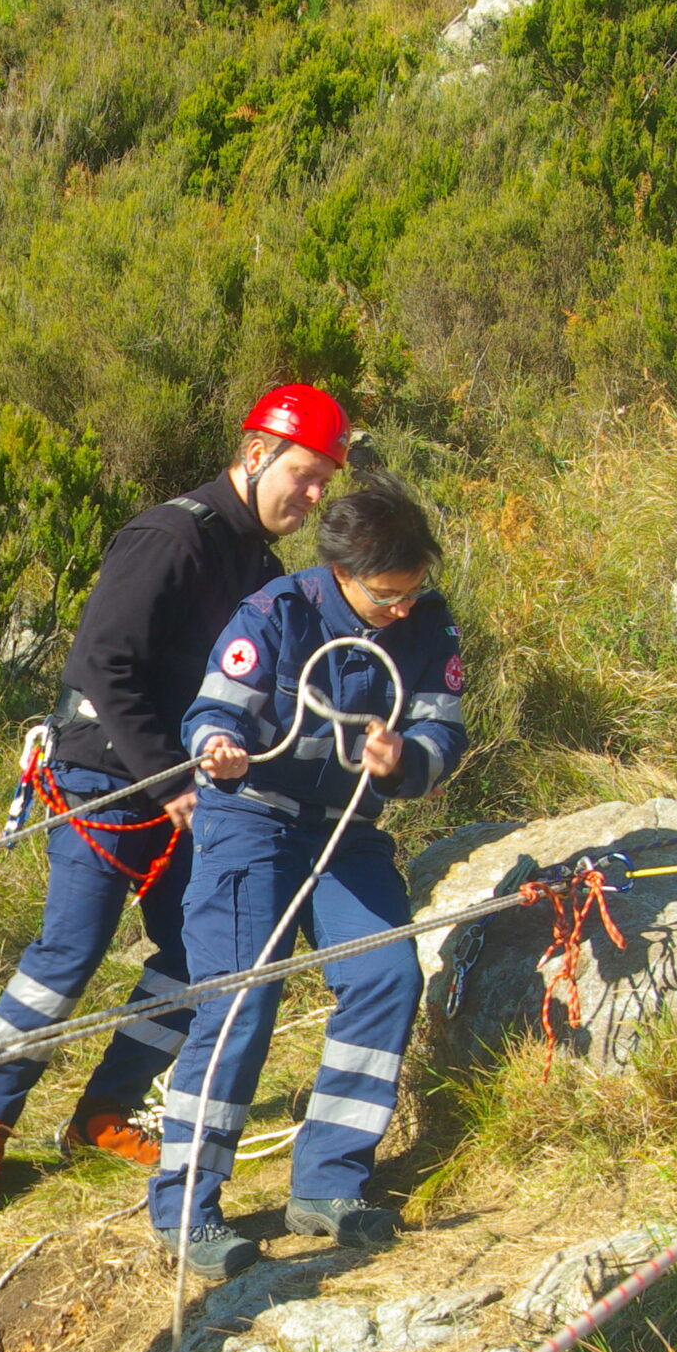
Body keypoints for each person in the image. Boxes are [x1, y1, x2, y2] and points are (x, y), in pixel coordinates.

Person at [0, 385, 351, 1227]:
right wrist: (171, 781)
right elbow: (103, 665)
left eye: (324, 482)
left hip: (185, 790)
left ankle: (104, 1111)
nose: (313, 496)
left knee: (193, 954)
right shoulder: (171, 536)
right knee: (68, 953)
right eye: (304, 475)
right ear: (256, 455)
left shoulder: (260, 568)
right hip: (107, 777)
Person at [150, 472, 465, 1280]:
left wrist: (404, 761)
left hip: (347, 831)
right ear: (341, 573)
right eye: (387, 595)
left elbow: (444, 735)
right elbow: (211, 712)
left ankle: (329, 1182)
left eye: (412, 591)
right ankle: (186, 1206)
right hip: (250, 822)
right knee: (242, 998)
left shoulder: (429, 624)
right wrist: (218, 745)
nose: (402, 609)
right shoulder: (276, 612)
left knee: (388, 974)